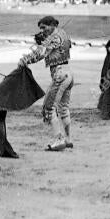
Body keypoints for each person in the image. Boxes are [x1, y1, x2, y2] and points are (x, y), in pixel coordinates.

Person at [18, 16, 73, 151]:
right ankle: (67, 139)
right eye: (41, 28)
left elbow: (41, 53)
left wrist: (25, 60)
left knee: (49, 108)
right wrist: (43, 42)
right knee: (63, 108)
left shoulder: (54, 37)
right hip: (69, 74)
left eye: (44, 27)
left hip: (59, 75)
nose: (42, 30)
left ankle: (59, 140)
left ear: (52, 25)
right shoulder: (63, 34)